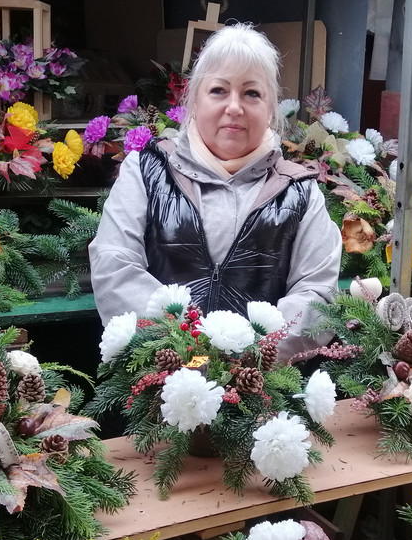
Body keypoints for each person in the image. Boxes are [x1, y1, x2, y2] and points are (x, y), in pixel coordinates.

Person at [89, 23, 341, 360]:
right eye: (219, 90)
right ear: (194, 99)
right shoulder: (145, 171)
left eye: (252, 93)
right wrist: (185, 348)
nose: (234, 107)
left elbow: (317, 294)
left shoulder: (301, 192)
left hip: (263, 391)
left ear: (270, 109)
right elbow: (114, 265)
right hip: (161, 385)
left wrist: (246, 357)